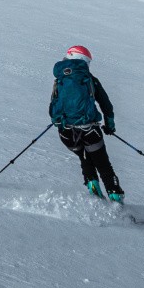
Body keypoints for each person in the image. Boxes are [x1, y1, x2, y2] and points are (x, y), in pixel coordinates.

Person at [49, 44, 124, 201]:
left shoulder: (59, 79)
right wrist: (110, 126)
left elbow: (53, 106)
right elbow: (106, 106)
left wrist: (59, 121)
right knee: (103, 163)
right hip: (89, 130)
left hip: (66, 133)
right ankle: (115, 196)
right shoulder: (90, 80)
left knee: (85, 157)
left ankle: (93, 187)